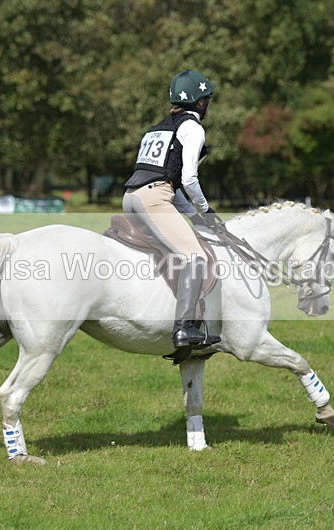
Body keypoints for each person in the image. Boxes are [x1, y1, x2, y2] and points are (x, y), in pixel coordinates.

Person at [123, 69, 222, 349]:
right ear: (200, 102)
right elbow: (189, 179)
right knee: (196, 257)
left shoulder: (158, 128)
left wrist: (193, 217)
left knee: (172, 251)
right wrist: (205, 210)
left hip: (132, 198)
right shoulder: (192, 128)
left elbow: (171, 184)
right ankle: (184, 329)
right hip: (153, 200)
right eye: (207, 100)